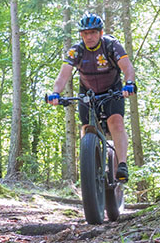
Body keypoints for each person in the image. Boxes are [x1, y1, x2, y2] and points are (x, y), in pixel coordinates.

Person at [47, 12, 137, 182]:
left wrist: (130, 83)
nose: (89, 37)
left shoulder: (112, 45)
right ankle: (91, 164)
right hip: (87, 91)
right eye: (85, 33)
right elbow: (63, 75)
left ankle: (122, 164)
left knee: (115, 122)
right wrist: (55, 93)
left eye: (93, 32)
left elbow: (127, 68)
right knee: (87, 128)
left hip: (112, 89)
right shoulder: (76, 51)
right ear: (81, 35)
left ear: (101, 33)